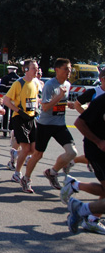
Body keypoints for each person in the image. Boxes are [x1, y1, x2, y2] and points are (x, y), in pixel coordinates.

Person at [22, 58, 77, 193]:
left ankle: (52, 172)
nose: (69, 72)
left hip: (60, 124)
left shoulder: (68, 84)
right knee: (38, 154)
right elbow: (45, 107)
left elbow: (61, 102)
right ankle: (26, 178)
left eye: (70, 69)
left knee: (72, 152)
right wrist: (60, 97)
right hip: (45, 125)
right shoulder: (50, 85)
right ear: (57, 70)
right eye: (66, 69)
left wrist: (68, 103)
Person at [62, 93, 105, 234]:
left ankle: (87, 214)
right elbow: (79, 123)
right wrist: (98, 141)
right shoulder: (102, 100)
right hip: (98, 152)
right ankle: (82, 210)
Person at [2, 59, 40, 193]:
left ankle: (15, 154)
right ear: (26, 70)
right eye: (34, 68)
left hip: (31, 118)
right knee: (26, 148)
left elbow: (35, 99)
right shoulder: (19, 83)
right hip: (19, 118)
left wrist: (36, 109)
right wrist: (19, 111)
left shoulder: (36, 83)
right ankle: (17, 173)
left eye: (37, 68)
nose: (37, 70)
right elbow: (6, 100)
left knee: (34, 150)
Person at [0, 65, 20, 136]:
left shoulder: (5, 78)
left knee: (5, 115)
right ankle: (12, 130)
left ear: (8, 70)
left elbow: (1, 89)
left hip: (6, 99)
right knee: (13, 115)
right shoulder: (19, 79)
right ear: (15, 70)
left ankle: (5, 131)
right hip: (16, 100)